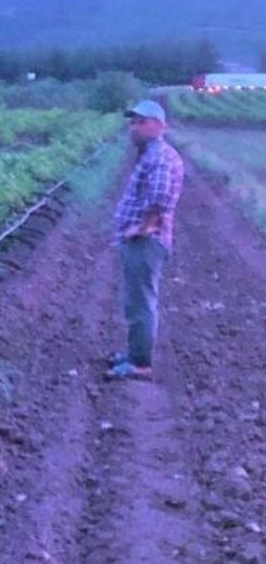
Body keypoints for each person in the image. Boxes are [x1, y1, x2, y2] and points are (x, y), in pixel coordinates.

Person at [107, 98, 184, 380]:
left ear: (158, 125)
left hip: (145, 242)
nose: (133, 127)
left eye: (140, 122)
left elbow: (160, 198)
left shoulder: (160, 156)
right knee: (135, 300)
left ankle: (140, 364)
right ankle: (134, 353)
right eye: (132, 122)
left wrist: (143, 228)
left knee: (141, 302)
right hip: (142, 241)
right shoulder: (152, 153)